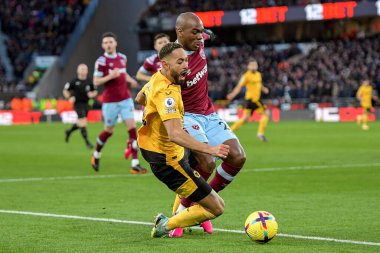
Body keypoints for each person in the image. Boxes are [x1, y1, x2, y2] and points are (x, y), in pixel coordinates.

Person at [136, 42, 230, 238]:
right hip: (168, 161)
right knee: (217, 207)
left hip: (165, 149)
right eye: (180, 61)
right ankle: (167, 224)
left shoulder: (158, 78)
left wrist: (152, 110)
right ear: (165, 64)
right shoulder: (166, 92)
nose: (186, 65)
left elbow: (139, 98)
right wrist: (210, 149)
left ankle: (183, 211)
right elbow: (175, 134)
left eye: (186, 60)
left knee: (206, 165)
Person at [169, 12, 246, 237]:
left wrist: (207, 33)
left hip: (209, 113)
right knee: (206, 161)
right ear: (179, 32)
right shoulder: (172, 60)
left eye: (201, 31)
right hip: (187, 116)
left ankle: (201, 205)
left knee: (237, 156)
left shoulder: (200, 40)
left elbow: (206, 36)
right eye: (195, 32)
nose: (200, 37)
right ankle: (182, 213)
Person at [91, 32, 146, 174]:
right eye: (106, 42)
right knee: (109, 131)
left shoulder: (122, 58)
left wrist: (130, 80)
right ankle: (96, 154)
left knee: (133, 130)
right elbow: (96, 81)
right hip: (110, 101)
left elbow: (123, 73)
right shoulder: (101, 61)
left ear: (115, 43)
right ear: (103, 45)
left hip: (125, 99)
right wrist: (110, 76)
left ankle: (135, 163)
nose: (108, 44)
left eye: (110, 42)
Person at [227, 59, 270, 142]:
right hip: (253, 100)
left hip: (253, 100)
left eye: (255, 65)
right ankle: (260, 133)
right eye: (252, 65)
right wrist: (232, 94)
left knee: (245, 119)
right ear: (248, 66)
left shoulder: (258, 74)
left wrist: (263, 89)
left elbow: (259, 84)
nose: (254, 67)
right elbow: (239, 87)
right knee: (266, 113)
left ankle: (229, 132)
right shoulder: (246, 76)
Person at [63, 64, 97, 149]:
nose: (83, 71)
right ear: (78, 71)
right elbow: (65, 91)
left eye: (84, 69)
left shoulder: (89, 81)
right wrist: (69, 97)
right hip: (77, 104)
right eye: (81, 69)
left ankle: (69, 132)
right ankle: (87, 142)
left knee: (80, 123)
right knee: (83, 122)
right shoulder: (74, 81)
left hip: (86, 104)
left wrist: (92, 94)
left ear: (87, 71)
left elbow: (95, 91)